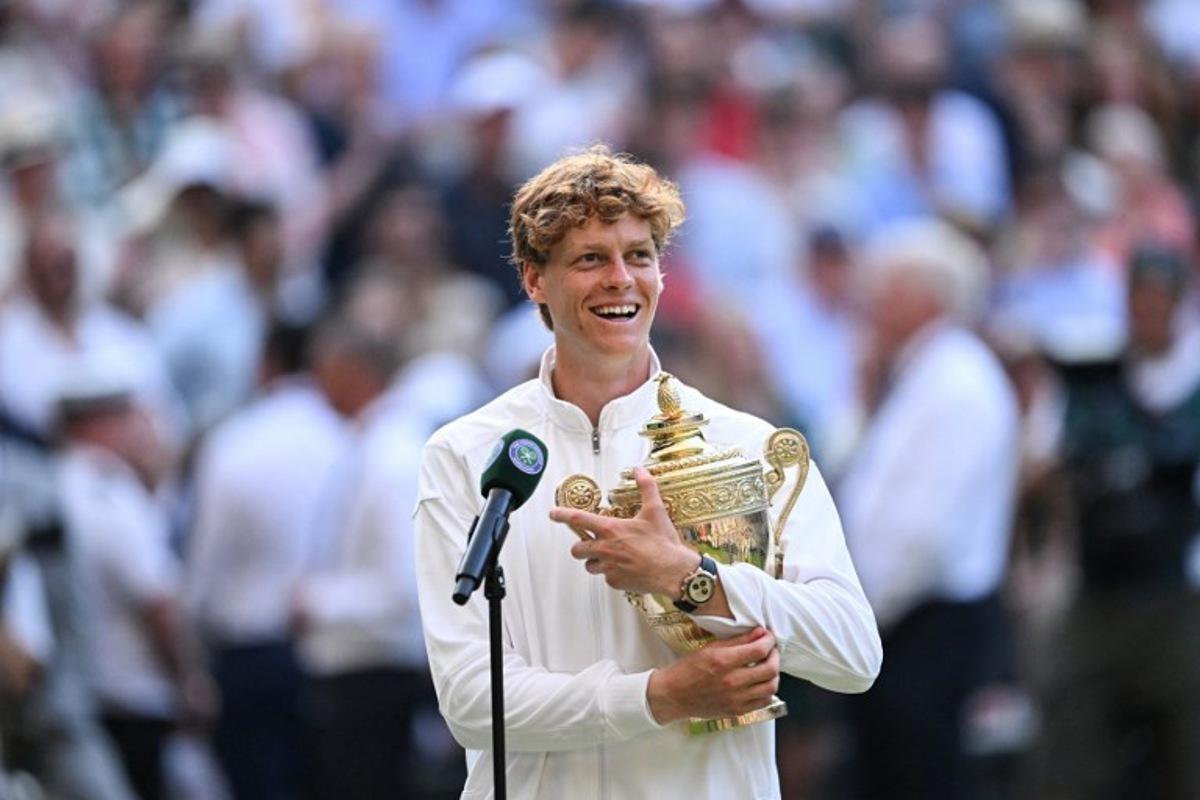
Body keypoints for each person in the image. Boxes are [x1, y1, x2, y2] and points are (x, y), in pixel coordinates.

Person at [414, 146, 881, 799]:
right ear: (534, 280)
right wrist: (658, 697)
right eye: (589, 258)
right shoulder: (464, 454)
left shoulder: (749, 444)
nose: (620, 278)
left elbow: (854, 653)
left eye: (639, 255)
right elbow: (469, 702)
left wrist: (686, 578)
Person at [837, 218, 1020, 799]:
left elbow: (923, 534)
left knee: (922, 780)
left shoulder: (958, 381)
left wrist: (866, 612)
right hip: (900, 625)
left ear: (926, 299)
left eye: (886, 288)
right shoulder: (921, 375)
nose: (872, 303)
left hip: (924, 628)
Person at [1029, 245, 1200, 798]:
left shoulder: (1191, 381)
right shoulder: (1088, 380)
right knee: (1073, 743)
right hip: (1098, 585)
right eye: (1139, 298)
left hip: (1179, 590)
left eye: (1161, 299)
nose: (1149, 310)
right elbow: (1040, 469)